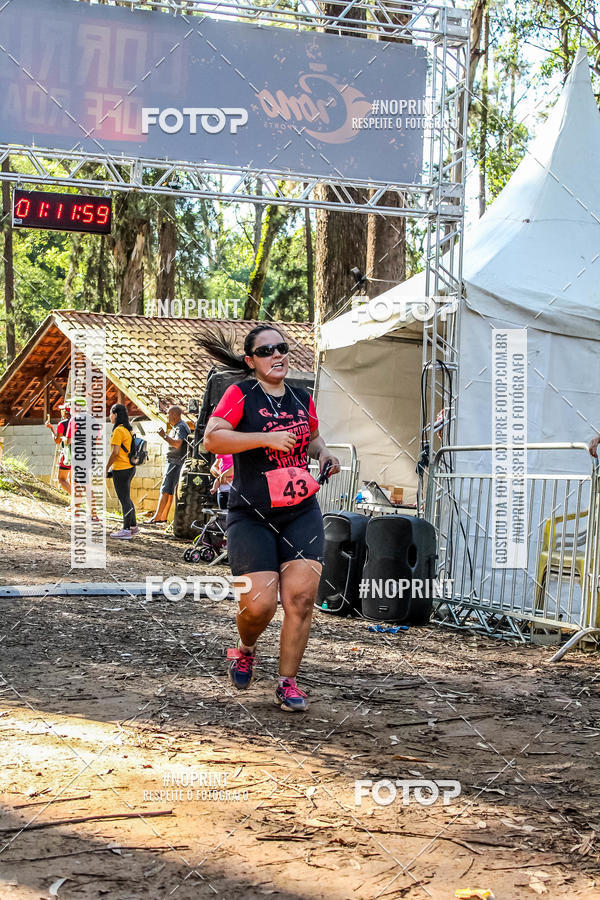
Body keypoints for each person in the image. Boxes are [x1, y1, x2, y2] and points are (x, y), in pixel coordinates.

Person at [201, 325, 340, 713]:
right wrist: (265, 438)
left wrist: (324, 454)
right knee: (260, 606)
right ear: (251, 361)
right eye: (266, 351)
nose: (277, 354)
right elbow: (213, 439)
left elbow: (312, 438)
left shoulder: (301, 397)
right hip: (252, 515)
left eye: (281, 347)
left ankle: (287, 683)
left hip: (300, 511)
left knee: (301, 599)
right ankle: (245, 649)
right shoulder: (240, 394)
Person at [147, 406, 191, 525]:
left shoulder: (181, 427)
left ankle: (157, 517)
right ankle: (163, 517)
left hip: (175, 462)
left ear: (175, 415)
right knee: (170, 491)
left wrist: (164, 436)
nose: (167, 416)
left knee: (165, 489)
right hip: (174, 462)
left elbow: (177, 444)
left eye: (168, 414)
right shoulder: (179, 426)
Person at [106, 403, 138, 539]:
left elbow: (115, 453)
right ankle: (133, 526)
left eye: (110, 413)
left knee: (124, 499)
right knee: (127, 498)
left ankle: (126, 530)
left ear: (115, 415)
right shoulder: (127, 429)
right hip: (130, 467)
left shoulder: (118, 431)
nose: (109, 416)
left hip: (121, 469)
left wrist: (106, 467)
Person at [46, 402, 71, 495]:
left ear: (66, 412)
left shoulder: (62, 424)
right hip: (81, 454)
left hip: (68, 454)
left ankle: (77, 499)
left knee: (62, 479)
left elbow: (57, 441)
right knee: (72, 479)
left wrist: (51, 430)